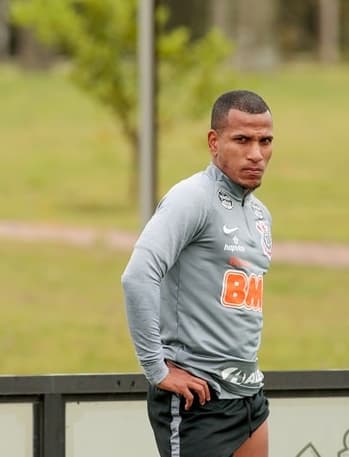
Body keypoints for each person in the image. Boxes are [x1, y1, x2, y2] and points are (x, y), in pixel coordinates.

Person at [121, 89, 274, 457]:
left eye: (265, 141)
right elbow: (138, 277)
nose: (256, 153)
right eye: (242, 140)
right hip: (198, 401)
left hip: (249, 397)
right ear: (213, 141)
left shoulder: (260, 215)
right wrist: (157, 370)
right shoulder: (192, 198)